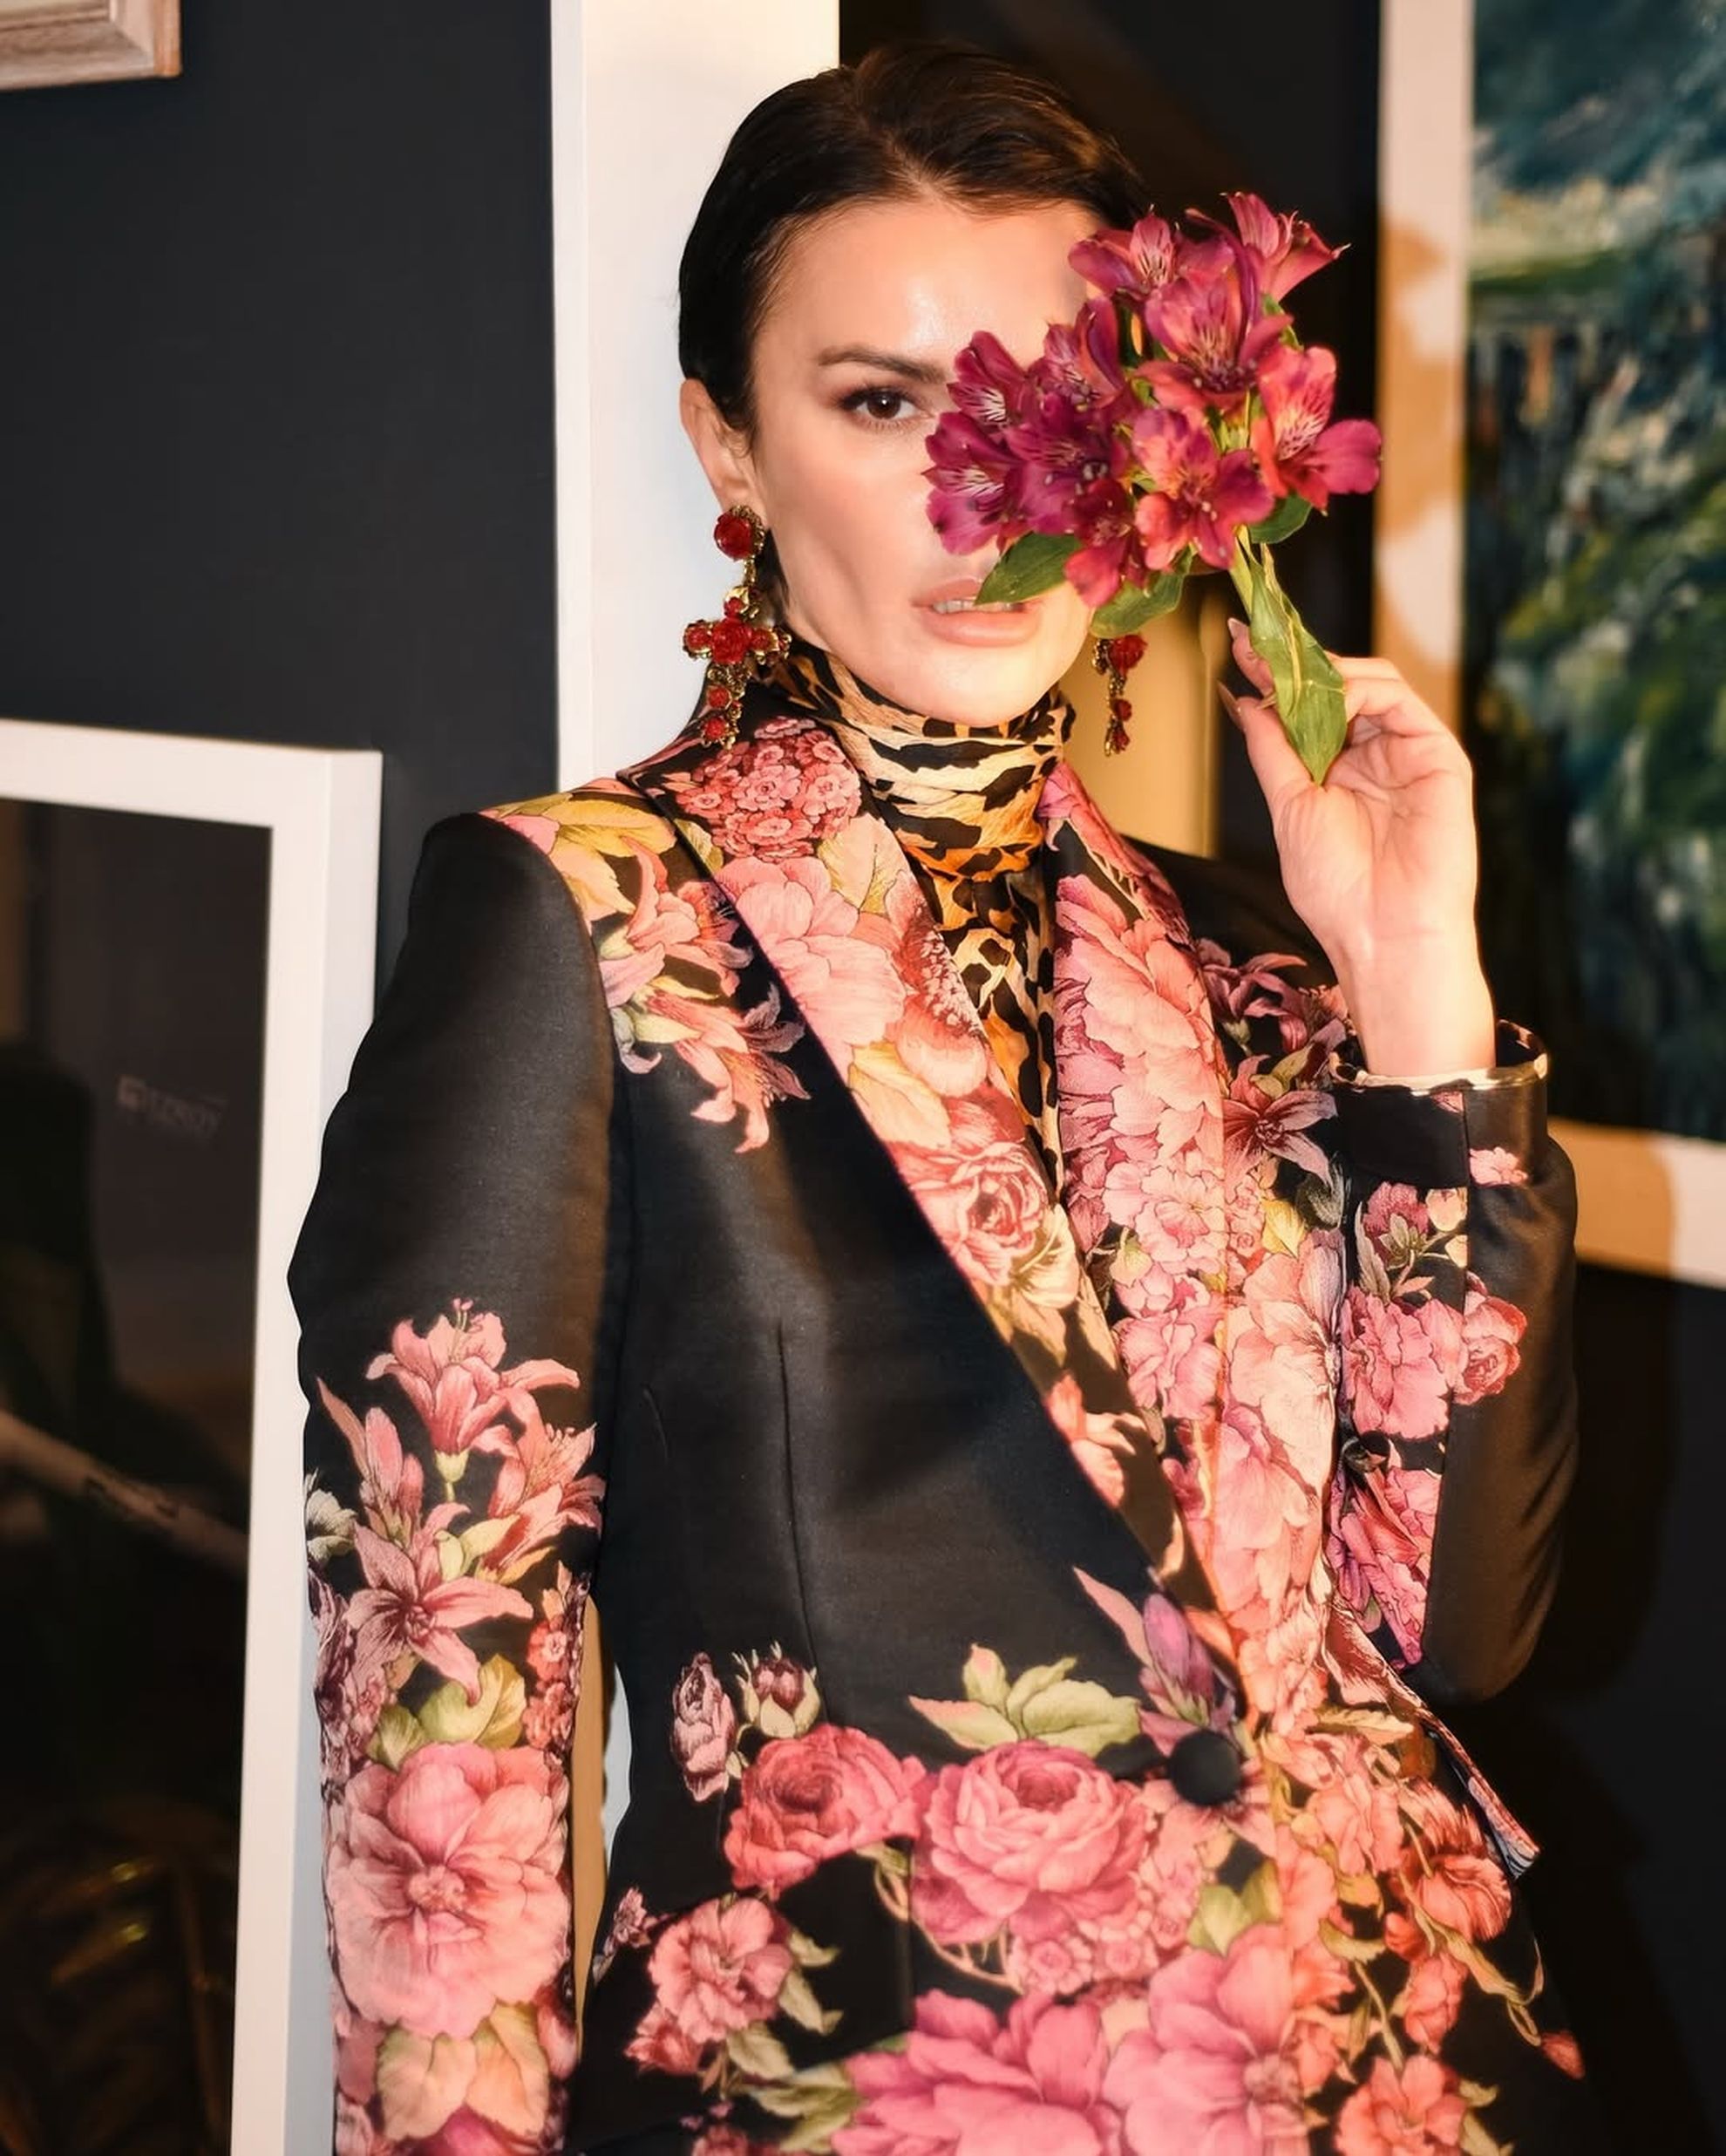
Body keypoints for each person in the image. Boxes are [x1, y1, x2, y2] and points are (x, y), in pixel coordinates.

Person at [292, 39, 1607, 2156]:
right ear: (729, 440)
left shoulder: (1254, 958)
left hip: (1388, 2073)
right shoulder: (578, 919)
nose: (986, 491)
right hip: (873, 2090)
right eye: (886, 404)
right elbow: (439, 1709)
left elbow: (1445, 1633)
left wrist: (1420, 994)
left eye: (1051, 405)